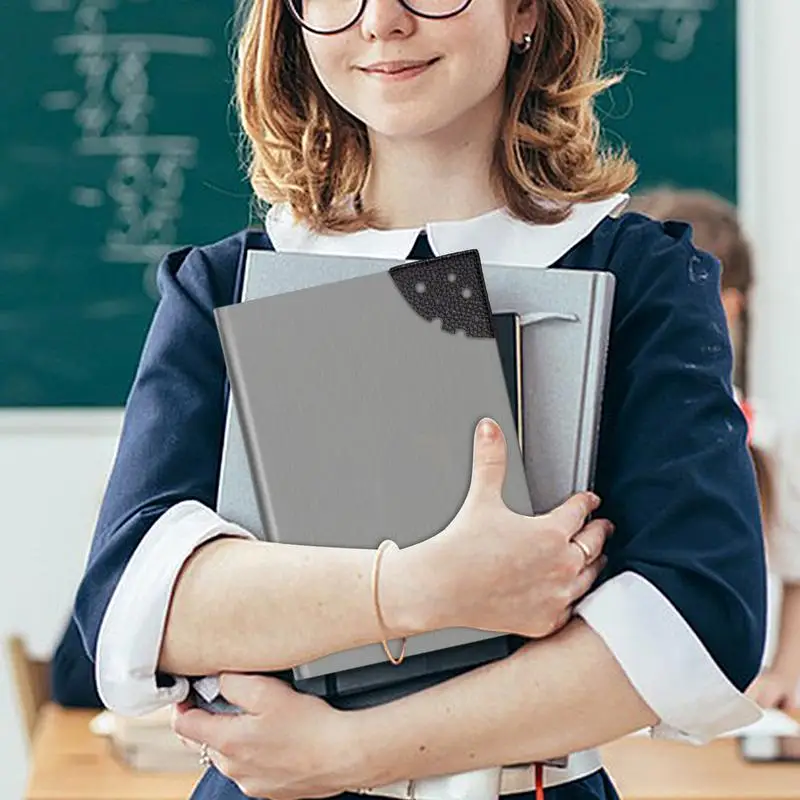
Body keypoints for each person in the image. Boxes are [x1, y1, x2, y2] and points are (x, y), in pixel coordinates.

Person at [72, 0, 767, 798]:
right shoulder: (224, 286)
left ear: (524, 11)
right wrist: (427, 586)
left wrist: (352, 750)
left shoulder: (639, 279)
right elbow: (136, 605)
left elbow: (699, 620)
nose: (381, 22)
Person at [629, 187, 800, 711]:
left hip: (740, 700)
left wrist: (784, 674)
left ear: (729, 305)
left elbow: (795, 569)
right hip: (633, 697)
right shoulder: (621, 426)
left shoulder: (766, 436)